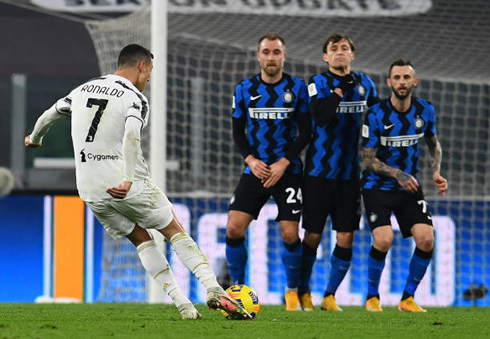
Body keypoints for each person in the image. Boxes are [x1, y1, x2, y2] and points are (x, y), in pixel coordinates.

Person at [25, 44, 251, 320]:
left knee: (140, 238)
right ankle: (213, 288)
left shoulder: (83, 89)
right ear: (141, 66)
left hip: (90, 188)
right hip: (125, 183)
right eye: (150, 72)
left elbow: (51, 113)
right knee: (174, 230)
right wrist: (128, 180)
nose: (149, 79)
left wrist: (35, 138)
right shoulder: (134, 98)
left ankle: (184, 306)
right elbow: (131, 134)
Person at [225, 33, 311, 311]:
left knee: (289, 234)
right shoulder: (244, 89)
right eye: (266, 52)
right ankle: (237, 290)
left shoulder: (298, 88)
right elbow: (238, 132)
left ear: (284, 56)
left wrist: (284, 162)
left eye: (276, 52)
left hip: (287, 170)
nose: (271, 57)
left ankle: (291, 293)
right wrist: (250, 160)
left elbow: (306, 131)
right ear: (258, 56)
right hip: (256, 170)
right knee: (234, 228)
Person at [299, 33, 379, 311]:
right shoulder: (316, 83)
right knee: (313, 235)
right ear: (325, 56)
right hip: (319, 173)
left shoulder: (366, 84)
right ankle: (303, 291)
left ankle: (330, 295)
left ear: (352, 54)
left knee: (346, 236)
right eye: (334, 49)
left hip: (350, 175)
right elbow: (320, 116)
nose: (340, 52)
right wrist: (339, 90)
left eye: (345, 48)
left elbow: (379, 119)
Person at [361, 59, 448, 312]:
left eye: (406, 78)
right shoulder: (376, 113)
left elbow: (433, 143)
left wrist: (436, 173)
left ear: (414, 82)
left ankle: (407, 299)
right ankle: (371, 298)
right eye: (396, 78)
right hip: (377, 187)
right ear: (389, 82)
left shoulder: (424, 110)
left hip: (408, 188)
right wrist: (397, 173)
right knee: (384, 239)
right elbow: (367, 159)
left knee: (426, 240)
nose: (401, 82)